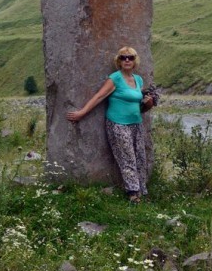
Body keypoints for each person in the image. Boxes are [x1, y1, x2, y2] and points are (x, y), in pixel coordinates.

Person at [66, 46, 156, 203]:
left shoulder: (138, 80)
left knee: (140, 157)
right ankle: (133, 193)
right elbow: (99, 97)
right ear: (118, 61)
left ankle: (142, 189)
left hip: (136, 123)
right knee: (127, 157)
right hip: (118, 124)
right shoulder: (115, 78)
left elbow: (142, 108)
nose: (127, 60)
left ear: (135, 61)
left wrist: (150, 103)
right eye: (123, 57)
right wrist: (82, 113)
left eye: (130, 57)